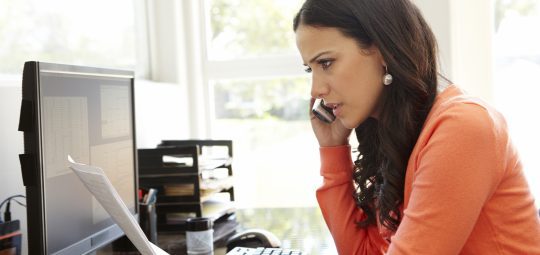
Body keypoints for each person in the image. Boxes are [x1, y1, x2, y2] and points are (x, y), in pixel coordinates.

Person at [293, 0, 540, 254]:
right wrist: (333, 149)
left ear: (382, 50)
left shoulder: (463, 127)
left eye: (325, 63)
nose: (316, 90)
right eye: (309, 69)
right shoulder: (394, 134)